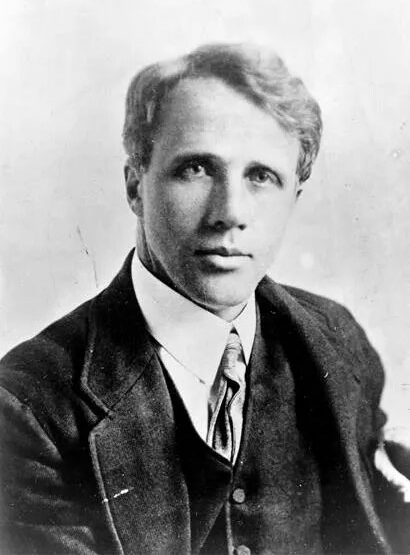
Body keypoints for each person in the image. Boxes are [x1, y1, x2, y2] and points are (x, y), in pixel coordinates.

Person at [0, 42, 409, 555]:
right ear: (135, 186)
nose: (230, 212)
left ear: (294, 199)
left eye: (262, 177)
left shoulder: (338, 342)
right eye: (196, 168)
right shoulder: (28, 406)